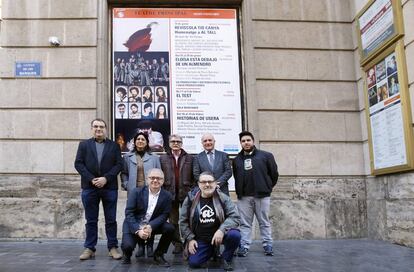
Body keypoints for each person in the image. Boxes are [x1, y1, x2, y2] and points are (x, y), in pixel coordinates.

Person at [74, 118, 123, 261]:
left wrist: (106, 178)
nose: (98, 129)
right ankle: (89, 248)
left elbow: (119, 165)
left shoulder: (114, 146)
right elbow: (78, 164)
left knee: (111, 220)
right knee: (91, 220)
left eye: (101, 126)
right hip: (89, 188)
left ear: (106, 129)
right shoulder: (84, 145)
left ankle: (112, 247)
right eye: (95, 126)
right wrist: (92, 179)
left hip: (109, 188)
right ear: (92, 129)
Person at [179, 172, 241, 271]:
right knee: (194, 263)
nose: (207, 184)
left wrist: (221, 230)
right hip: (201, 238)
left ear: (216, 183)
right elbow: (183, 222)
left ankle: (226, 258)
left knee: (235, 235)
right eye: (203, 182)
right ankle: (212, 251)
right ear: (199, 184)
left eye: (210, 181)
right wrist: (190, 239)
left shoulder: (223, 198)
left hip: (220, 236)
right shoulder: (191, 199)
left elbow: (235, 217)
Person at [233, 131, 278, 257]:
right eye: (243, 141)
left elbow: (274, 174)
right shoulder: (237, 160)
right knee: (245, 223)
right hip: (244, 197)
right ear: (241, 143)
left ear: (253, 141)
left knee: (264, 221)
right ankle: (244, 245)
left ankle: (268, 245)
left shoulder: (266, 156)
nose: (246, 143)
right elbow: (236, 176)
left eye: (248, 140)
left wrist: (267, 187)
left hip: (262, 195)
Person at [120, 168, 174, 267]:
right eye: (152, 178)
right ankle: (126, 254)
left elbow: (164, 215)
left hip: (152, 224)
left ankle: (158, 255)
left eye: (159, 178)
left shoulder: (167, 196)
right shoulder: (136, 192)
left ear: (163, 180)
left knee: (170, 228)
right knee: (127, 246)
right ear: (147, 179)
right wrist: (138, 230)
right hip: (134, 223)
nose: (155, 180)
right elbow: (129, 213)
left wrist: (150, 226)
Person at [121, 132, 161, 258]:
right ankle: (140, 246)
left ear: (147, 142)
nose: (140, 141)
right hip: (134, 193)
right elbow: (124, 173)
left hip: (150, 192)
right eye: (138, 139)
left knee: (150, 217)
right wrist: (126, 184)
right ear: (134, 141)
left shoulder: (154, 158)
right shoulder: (128, 157)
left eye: (143, 139)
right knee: (137, 218)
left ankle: (149, 245)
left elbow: (159, 173)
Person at [160, 134, 194, 254]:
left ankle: (189, 241)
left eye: (178, 141)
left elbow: (194, 177)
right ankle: (177, 244)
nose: (175, 143)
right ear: (169, 144)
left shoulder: (190, 158)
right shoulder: (163, 158)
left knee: (188, 219)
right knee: (173, 221)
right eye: (173, 141)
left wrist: (192, 190)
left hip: (186, 194)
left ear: (181, 143)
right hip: (170, 194)